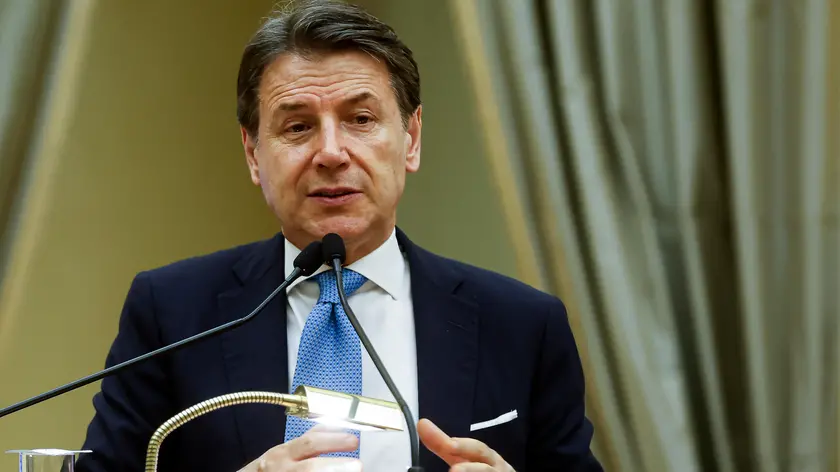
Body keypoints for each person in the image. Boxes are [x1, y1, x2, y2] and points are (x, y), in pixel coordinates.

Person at [75, 1, 603, 471]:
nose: (331, 152)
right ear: (253, 154)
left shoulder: (522, 325)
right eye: (298, 127)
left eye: (361, 119)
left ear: (411, 139)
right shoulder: (171, 314)